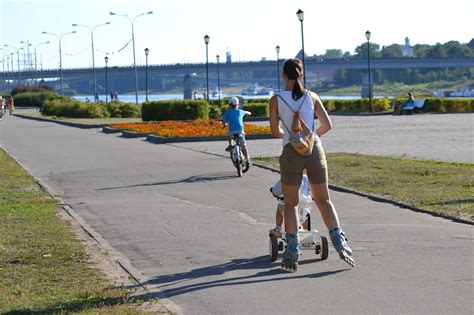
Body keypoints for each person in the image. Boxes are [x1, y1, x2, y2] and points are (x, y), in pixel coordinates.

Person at [269, 58, 354, 272]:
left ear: (284, 75)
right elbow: (327, 125)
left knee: (291, 203)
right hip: (314, 149)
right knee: (324, 200)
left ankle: (292, 252)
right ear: (301, 74)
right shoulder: (312, 96)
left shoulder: (276, 99)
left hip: (290, 152)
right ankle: (340, 243)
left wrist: (289, 134)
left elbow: (274, 131)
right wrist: (311, 136)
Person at [221, 96, 252, 168]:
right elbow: (249, 113)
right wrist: (248, 113)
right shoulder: (240, 111)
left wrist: (224, 124)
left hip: (232, 132)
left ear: (229, 105)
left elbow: (223, 120)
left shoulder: (227, 112)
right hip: (240, 131)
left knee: (229, 135)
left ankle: (230, 145)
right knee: (243, 145)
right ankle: (248, 160)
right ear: (238, 105)